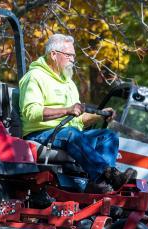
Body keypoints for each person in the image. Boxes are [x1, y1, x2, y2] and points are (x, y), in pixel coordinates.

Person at [19, 34, 136, 194]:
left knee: (108, 136)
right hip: (40, 134)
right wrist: (67, 110)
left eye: (74, 56)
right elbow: (31, 113)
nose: (73, 60)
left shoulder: (69, 83)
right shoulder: (35, 77)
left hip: (67, 134)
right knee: (71, 134)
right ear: (53, 54)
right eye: (69, 55)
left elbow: (77, 120)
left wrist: (101, 115)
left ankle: (101, 186)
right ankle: (106, 177)